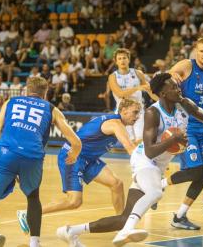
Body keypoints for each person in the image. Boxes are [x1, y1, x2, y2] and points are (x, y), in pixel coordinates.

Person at [55, 73, 203, 247]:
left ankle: (71, 231)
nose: (178, 90)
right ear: (162, 93)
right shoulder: (152, 113)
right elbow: (150, 151)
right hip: (144, 160)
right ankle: (126, 231)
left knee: (124, 218)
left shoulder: (185, 104)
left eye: (177, 86)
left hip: (158, 167)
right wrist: (172, 140)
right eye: (173, 87)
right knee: (155, 193)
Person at [0, 76, 82, 247]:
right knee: (33, 197)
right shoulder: (52, 109)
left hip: (6, 152)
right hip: (32, 157)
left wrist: (4, 153)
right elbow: (76, 142)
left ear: (27, 90)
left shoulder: (11, 101)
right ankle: (34, 242)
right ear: (45, 93)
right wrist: (74, 154)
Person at [16, 98, 141, 235]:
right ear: (123, 110)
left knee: (116, 184)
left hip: (88, 159)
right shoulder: (115, 124)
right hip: (72, 156)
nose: (137, 116)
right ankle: (28, 213)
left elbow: (132, 144)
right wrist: (146, 164)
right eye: (135, 112)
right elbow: (129, 147)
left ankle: (121, 222)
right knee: (74, 201)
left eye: (138, 113)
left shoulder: (116, 123)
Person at [160, 37, 203, 230]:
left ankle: (180, 215)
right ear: (196, 52)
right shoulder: (187, 65)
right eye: (202, 51)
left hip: (202, 126)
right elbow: (166, 77)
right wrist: (173, 75)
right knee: (195, 171)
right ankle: (160, 184)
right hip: (186, 125)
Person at [108, 48, 158, 142]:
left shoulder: (138, 73)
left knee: (140, 140)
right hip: (123, 113)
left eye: (124, 58)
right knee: (128, 142)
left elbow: (149, 91)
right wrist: (137, 88)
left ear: (129, 59)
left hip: (138, 111)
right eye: (119, 58)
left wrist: (161, 100)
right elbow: (120, 94)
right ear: (116, 61)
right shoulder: (112, 77)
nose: (122, 60)